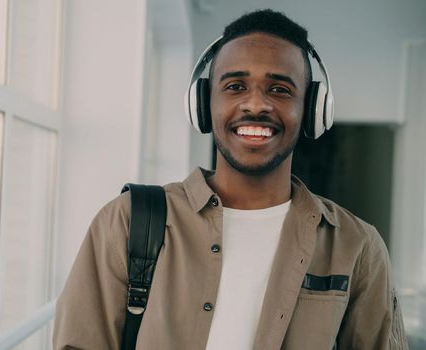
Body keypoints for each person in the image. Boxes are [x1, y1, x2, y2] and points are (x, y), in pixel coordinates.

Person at [53, 9, 407, 350]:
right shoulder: (128, 222)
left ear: (313, 109)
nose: (256, 105)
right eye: (235, 86)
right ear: (203, 104)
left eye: (280, 89)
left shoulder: (358, 247)